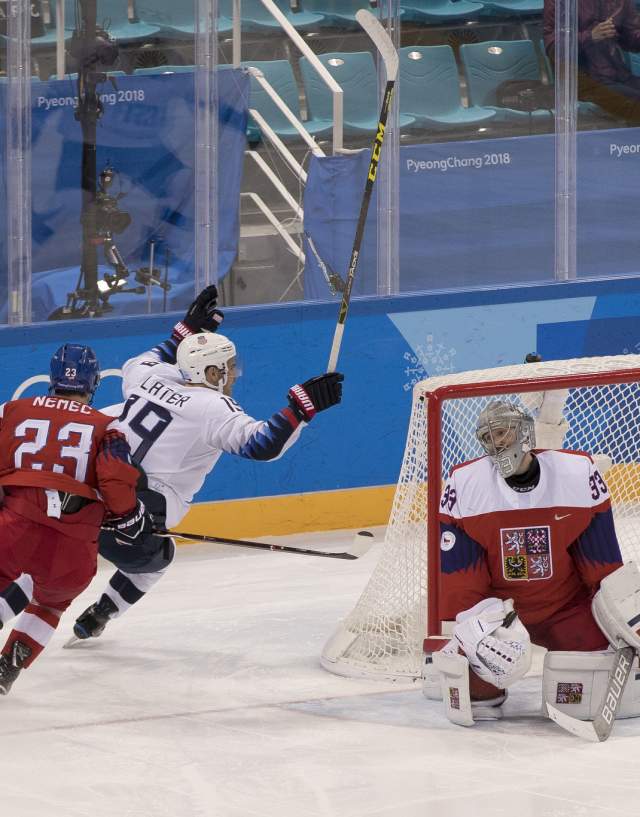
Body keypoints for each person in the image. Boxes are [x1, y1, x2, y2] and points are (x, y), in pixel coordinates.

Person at [62, 285, 344, 642]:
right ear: (211, 374)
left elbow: (159, 353)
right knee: (160, 559)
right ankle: (98, 615)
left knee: (43, 553)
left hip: (84, 492)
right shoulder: (212, 408)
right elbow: (263, 445)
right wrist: (303, 406)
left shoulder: (145, 374)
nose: (235, 374)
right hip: (136, 515)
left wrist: (186, 331)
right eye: (228, 367)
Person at [430, 399, 628, 725]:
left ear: (524, 434)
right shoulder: (465, 485)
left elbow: (601, 564)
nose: (496, 443)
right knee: (478, 694)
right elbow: (461, 580)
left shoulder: (577, 474)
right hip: (501, 614)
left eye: (503, 433)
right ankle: (474, 669)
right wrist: (478, 630)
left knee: (592, 668)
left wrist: (622, 620)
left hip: (564, 608)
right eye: (488, 437)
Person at [0, 344, 144, 694]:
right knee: (49, 604)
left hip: (15, 524)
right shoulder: (108, 427)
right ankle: (7, 669)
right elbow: (114, 476)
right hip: (72, 544)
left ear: (52, 378)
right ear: (93, 383)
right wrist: (128, 517)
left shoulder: (13, 409)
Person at [544, 0, 640, 125]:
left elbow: (630, 38)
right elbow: (553, 46)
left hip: (617, 75)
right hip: (583, 82)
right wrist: (590, 36)